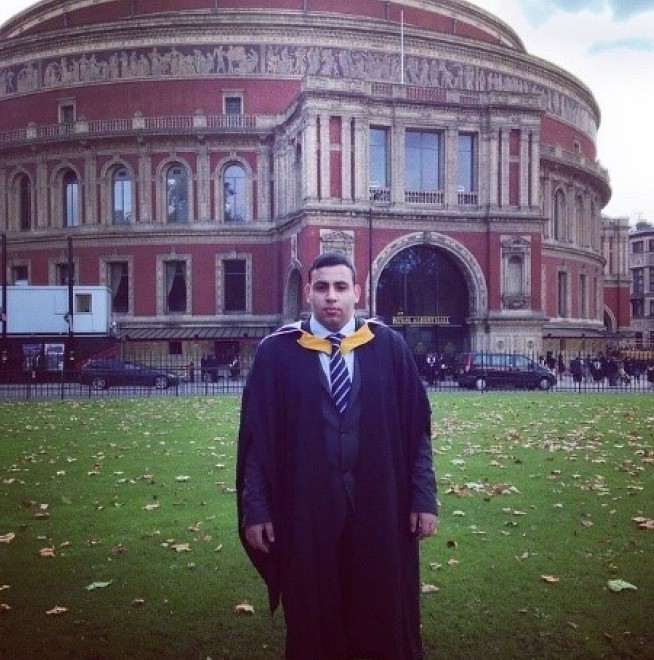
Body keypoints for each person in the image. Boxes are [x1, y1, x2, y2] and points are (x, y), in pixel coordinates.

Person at [236, 252, 438, 660]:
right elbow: (258, 439)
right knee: (314, 608)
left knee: (380, 604)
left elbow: (416, 431)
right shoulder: (276, 354)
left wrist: (423, 497)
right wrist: (255, 508)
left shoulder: (389, 348)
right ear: (308, 292)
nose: (332, 297)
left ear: (357, 293)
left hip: (380, 504)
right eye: (323, 287)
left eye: (341, 287)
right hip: (306, 508)